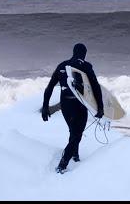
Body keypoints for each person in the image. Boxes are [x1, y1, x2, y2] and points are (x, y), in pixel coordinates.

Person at [42, 43, 104, 174]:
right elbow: (95, 87)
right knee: (77, 135)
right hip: (79, 104)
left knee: (73, 130)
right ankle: (62, 164)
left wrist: (45, 106)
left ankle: (75, 156)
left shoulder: (62, 65)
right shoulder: (86, 66)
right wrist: (100, 107)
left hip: (65, 104)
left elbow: (50, 87)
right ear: (85, 54)